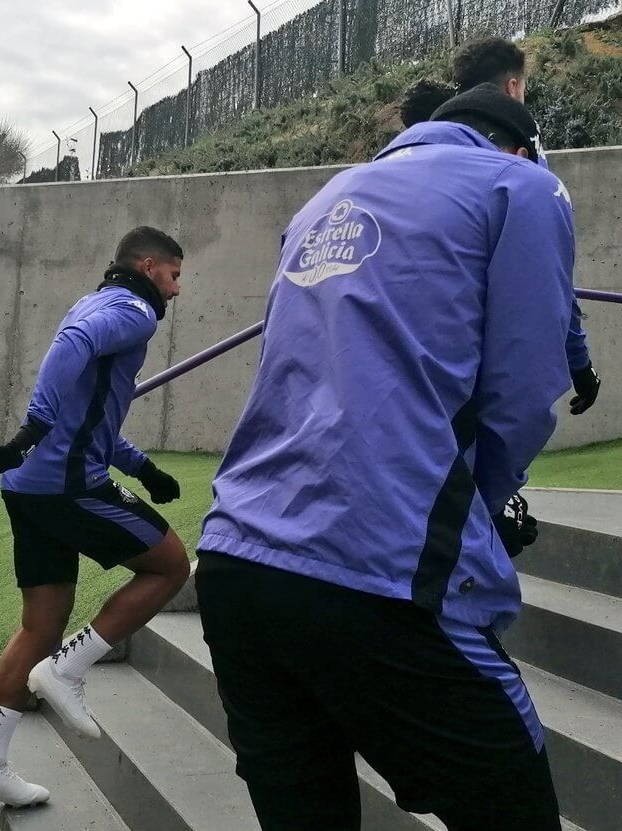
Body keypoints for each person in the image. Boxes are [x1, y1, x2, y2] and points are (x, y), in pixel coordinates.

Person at [196, 85, 575, 831]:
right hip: (379, 567)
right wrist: (483, 506)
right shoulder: (522, 185)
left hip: (236, 557)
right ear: (518, 146)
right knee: (516, 806)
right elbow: (526, 389)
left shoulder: (325, 199)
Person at [0, 226, 190, 806]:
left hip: (27, 487)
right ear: (147, 266)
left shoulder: (92, 300)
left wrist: (143, 468)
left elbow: (90, 413)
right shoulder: (135, 312)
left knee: (40, 626)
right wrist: (32, 426)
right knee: (170, 566)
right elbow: (72, 347)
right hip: (67, 486)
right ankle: (66, 670)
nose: (176, 289)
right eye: (174, 274)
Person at [400, 37, 600, 414]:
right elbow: (546, 271)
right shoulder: (521, 160)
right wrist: (579, 360)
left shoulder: (392, 167)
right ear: (512, 87)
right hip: (473, 360)